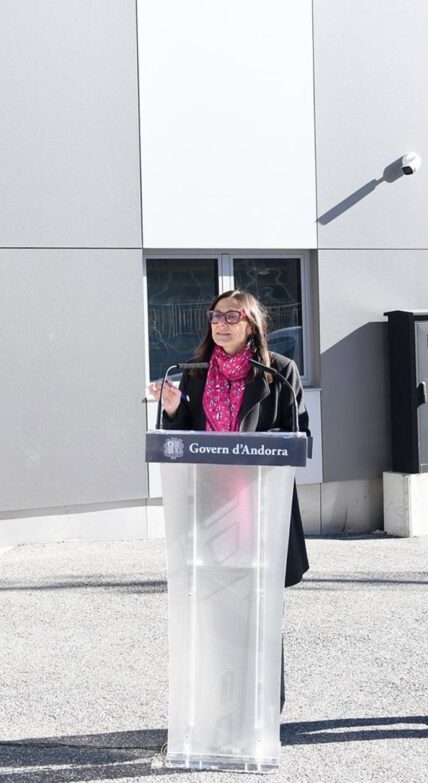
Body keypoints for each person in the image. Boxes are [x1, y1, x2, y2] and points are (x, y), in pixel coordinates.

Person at [148, 289, 311, 707]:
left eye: (231, 317)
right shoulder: (196, 374)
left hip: (260, 509)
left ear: (252, 322)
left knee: (259, 611)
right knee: (215, 609)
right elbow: (180, 439)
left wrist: (254, 453)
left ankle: (262, 707)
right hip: (209, 509)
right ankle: (217, 703)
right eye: (215, 317)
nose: (220, 324)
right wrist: (170, 408)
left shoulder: (278, 371)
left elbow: (300, 438)